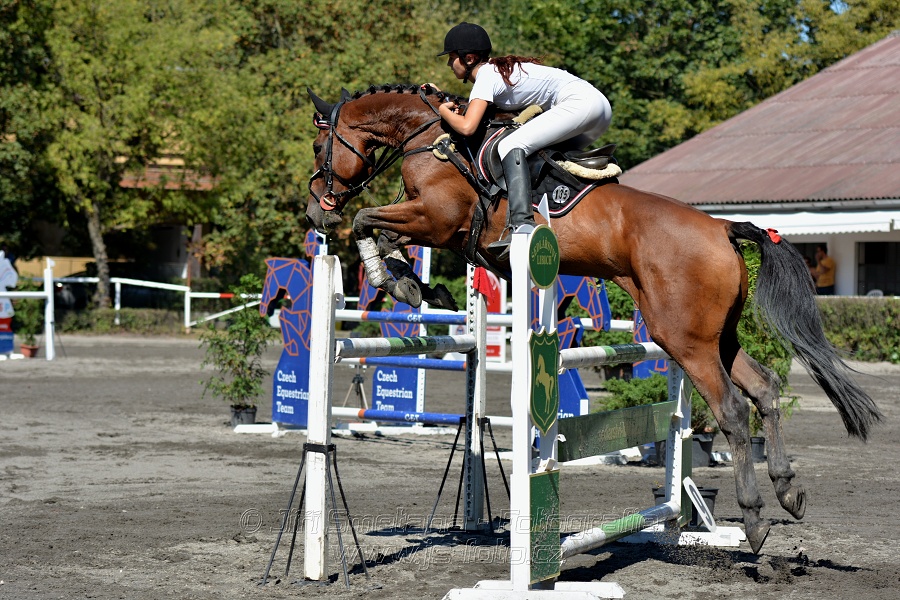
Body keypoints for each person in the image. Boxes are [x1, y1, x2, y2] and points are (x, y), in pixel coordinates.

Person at [430, 22, 613, 259]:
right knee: (539, 156)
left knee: (510, 145)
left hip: (580, 104)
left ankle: (522, 225)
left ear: (469, 58)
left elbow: (467, 127)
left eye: (451, 57)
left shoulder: (486, 74)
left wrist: (441, 109)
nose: (448, 64)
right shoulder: (494, 72)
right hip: (598, 109)